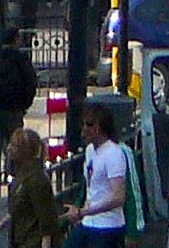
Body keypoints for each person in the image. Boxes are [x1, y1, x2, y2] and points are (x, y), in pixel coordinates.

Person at [0, 26, 39, 210]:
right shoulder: (20, 59)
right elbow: (31, 84)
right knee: (15, 152)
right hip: (13, 111)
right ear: (15, 39)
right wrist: (23, 105)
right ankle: (14, 193)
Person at [62, 104, 128, 245]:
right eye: (83, 124)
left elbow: (118, 197)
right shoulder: (90, 150)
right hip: (88, 223)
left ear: (101, 127)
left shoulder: (114, 153)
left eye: (90, 125)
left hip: (108, 226)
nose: (85, 129)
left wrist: (83, 212)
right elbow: (90, 188)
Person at [0, 125, 61, 248]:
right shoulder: (21, 176)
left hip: (33, 242)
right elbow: (15, 210)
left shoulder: (36, 180)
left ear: (25, 151)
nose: (9, 149)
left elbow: (46, 223)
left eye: (14, 146)